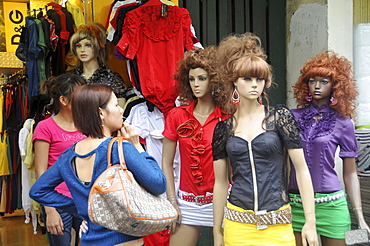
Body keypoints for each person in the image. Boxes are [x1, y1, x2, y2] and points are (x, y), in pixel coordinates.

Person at [211, 33, 318, 246]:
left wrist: (310, 221)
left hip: (277, 225)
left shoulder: (279, 118)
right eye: (247, 79)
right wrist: (217, 230)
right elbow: (220, 183)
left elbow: (302, 169)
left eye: (259, 79)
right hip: (237, 224)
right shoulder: (224, 129)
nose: (255, 85)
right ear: (234, 81)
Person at [30, 84, 166, 246]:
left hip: (90, 240)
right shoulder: (120, 148)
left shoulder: (67, 157)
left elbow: (38, 190)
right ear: (101, 113)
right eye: (116, 105)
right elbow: (159, 184)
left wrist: (84, 210)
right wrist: (137, 147)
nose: (121, 110)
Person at [290, 51, 369, 246]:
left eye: (324, 81)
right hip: (295, 204)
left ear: (336, 86)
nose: (317, 86)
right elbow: (284, 161)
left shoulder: (344, 123)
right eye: (312, 81)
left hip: (332, 205)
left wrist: (359, 217)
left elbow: (351, 173)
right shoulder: (292, 117)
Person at [162, 47, 230, 246]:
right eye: (191, 79)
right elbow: (166, 163)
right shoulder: (177, 116)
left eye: (201, 78)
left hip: (223, 200)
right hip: (187, 202)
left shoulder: (227, 117)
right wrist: (171, 201)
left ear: (214, 80)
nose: (196, 85)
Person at [33, 73, 86, 246]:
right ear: (63, 100)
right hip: (56, 199)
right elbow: (41, 171)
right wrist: (49, 210)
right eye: (80, 95)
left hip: (84, 199)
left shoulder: (88, 125)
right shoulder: (45, 127)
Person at [69, 23, 127, 107]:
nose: (82, 50)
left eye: (88, 45)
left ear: (97, 47)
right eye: (78, 46)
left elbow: (120, 113)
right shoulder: (71, 79)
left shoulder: (112, 79)